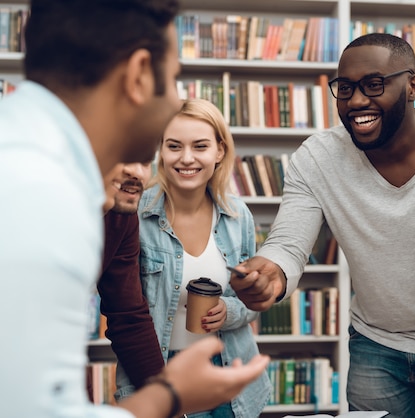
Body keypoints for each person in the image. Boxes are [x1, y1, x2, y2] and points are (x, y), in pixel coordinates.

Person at [0, 1, 269, 417]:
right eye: (176, 79)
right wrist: (171, 396)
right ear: (140, 74)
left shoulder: (43, 164)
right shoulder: (40, 191)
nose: (177, 100)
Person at [229, 32, 415, 417]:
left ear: (413, 85)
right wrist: (273, 273)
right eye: (345, 88)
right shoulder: (317, 158)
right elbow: (288, 243)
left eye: (374, 85)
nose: (357, 101)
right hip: (374, 345)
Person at [123, 98, 271, 417]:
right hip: (159, 375)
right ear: (160, 151)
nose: (186, 158)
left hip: (227, 371)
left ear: (219, 151)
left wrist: (228, 310)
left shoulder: (238, 216)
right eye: (174, 146)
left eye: (200, 146)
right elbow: (122, 312)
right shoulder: (135, 214)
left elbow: (252, 301)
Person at [98, 161, 166, 393]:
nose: (137, 172)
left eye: (146, 161)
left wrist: (168, 402)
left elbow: (128, 317)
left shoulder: (123, 216)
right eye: (125, 157)